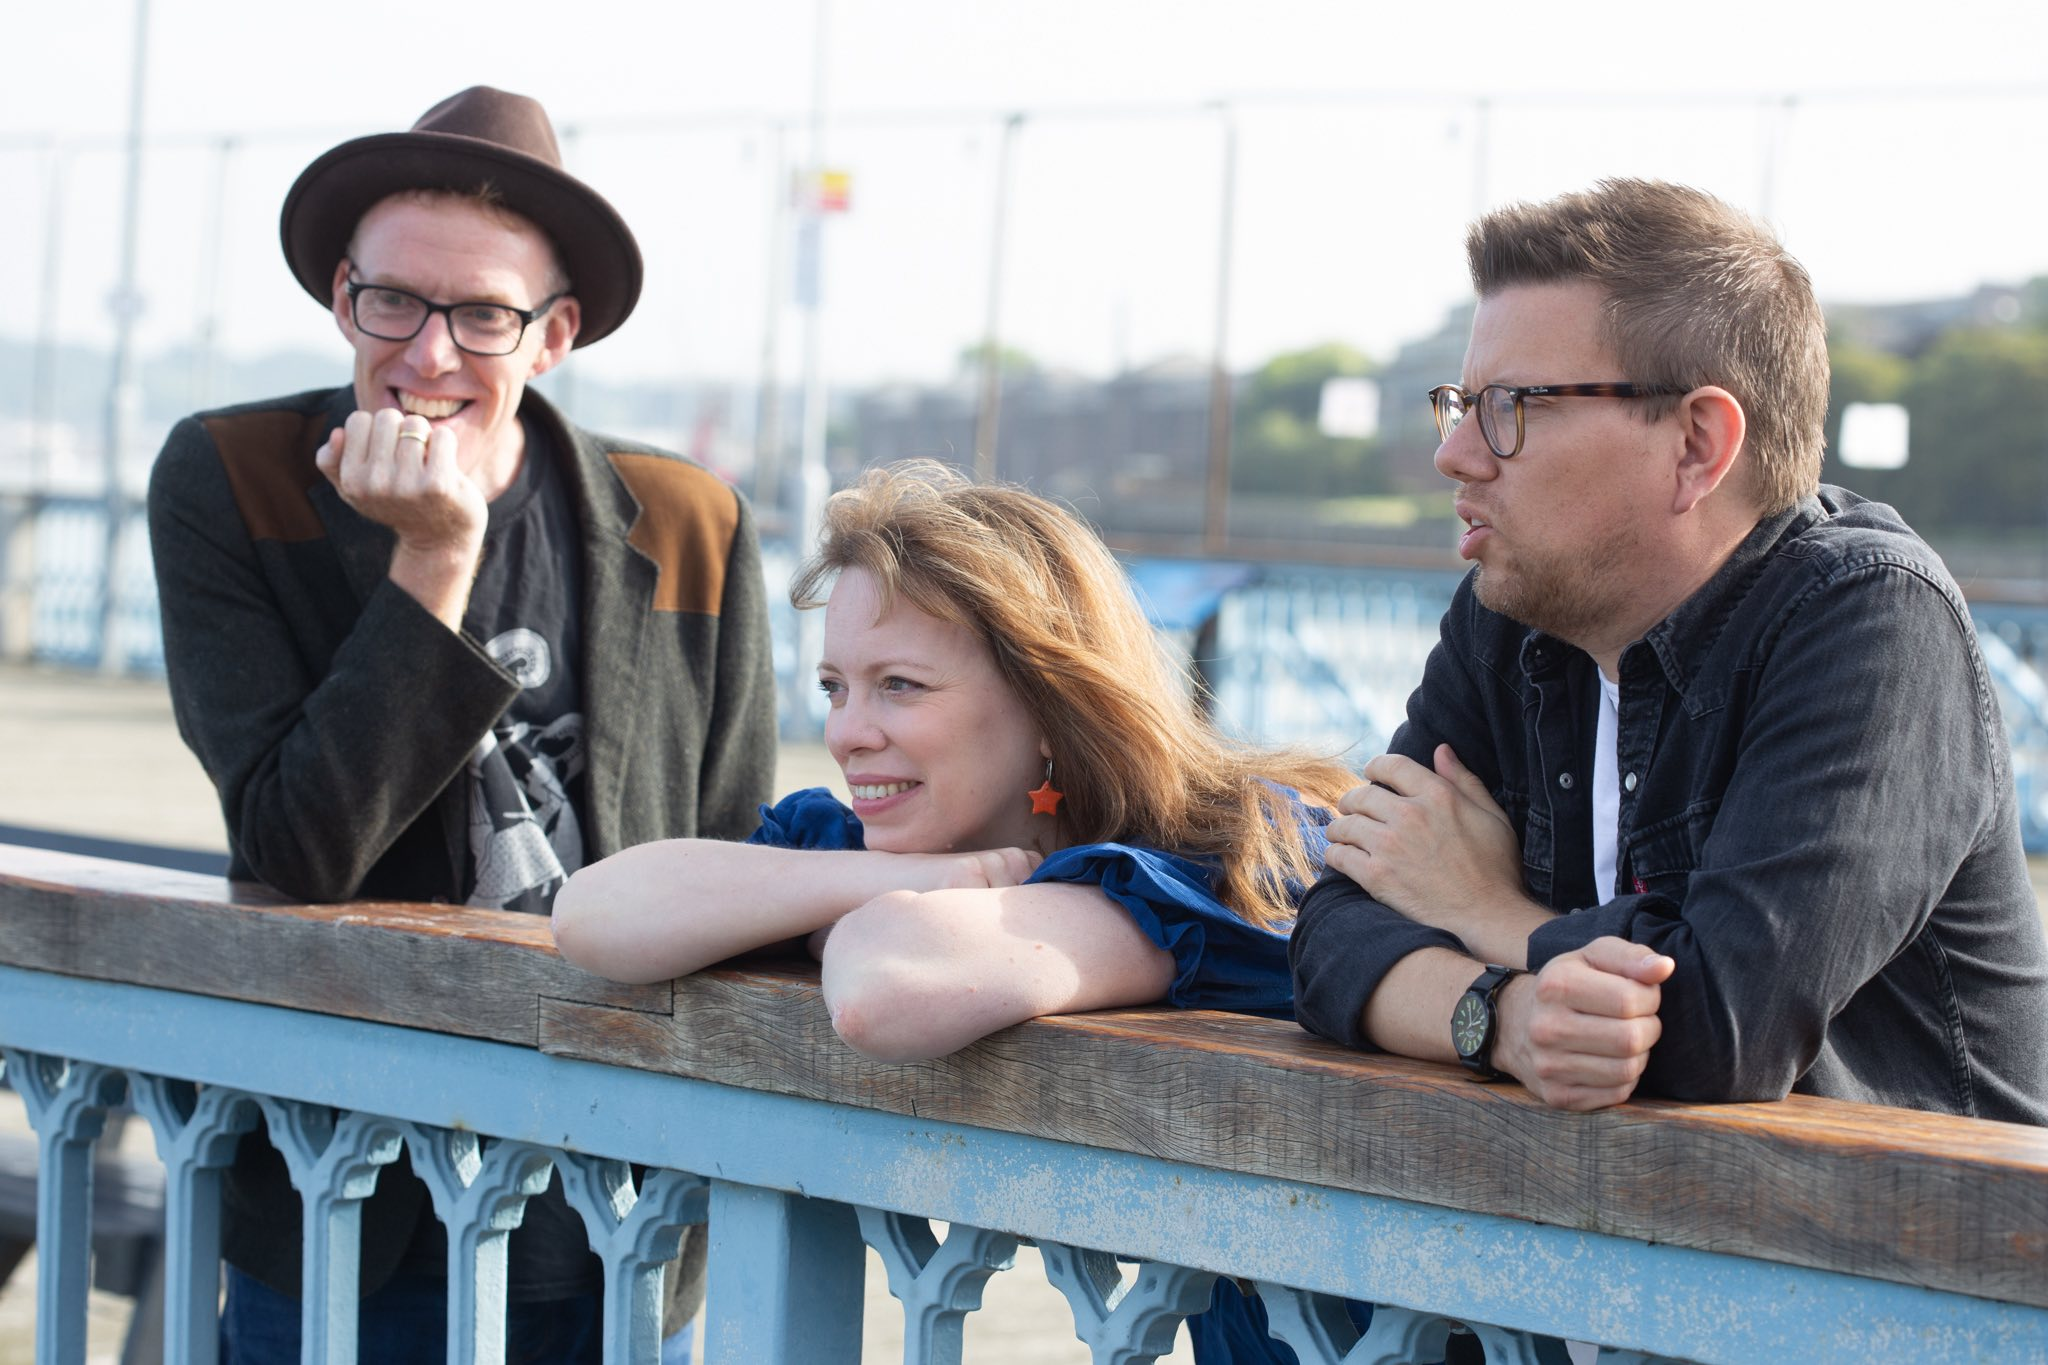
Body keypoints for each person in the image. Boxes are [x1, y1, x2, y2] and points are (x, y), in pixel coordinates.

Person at [146, 87, 777, 1361]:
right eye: (393, 300)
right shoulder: (237, 477)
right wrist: (434, 560)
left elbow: (735, 857)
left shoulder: (686, 519)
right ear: (342, 298)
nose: (428, 354)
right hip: (341, 1189)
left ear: (552, 335)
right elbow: (298, 849)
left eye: (482, 314)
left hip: (621, 1204)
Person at [550, 459, 1357, 1361]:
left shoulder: (1229, 862)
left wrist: (884, 899)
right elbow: (591, 914)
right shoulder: (885, 848)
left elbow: (883, 986)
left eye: (900, 684)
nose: (847, 732)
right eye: (833, 687)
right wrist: (940, 876)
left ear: (1048, 706)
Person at [1289, 178, 2048, 1126]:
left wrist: (1481, 909)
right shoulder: (1509, 616)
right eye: (1463, 404)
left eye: (1512, 406)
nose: (1457, 454)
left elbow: (1721, 1027)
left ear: (1696, 445)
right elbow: (1330, 941)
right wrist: (1506, 1018)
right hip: (1643, 1211)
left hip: (1920, 1216)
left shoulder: (1871, 617)